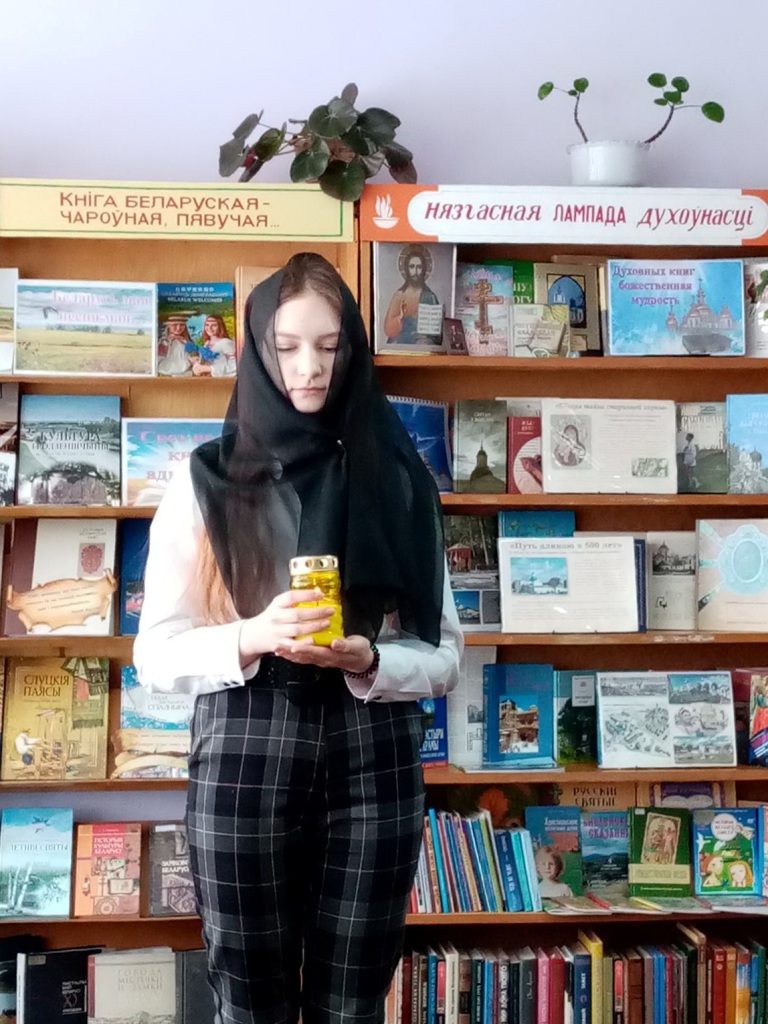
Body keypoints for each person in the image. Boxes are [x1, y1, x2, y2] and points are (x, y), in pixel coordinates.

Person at [134, 252, 462, 1024]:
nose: (309, 367)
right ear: (257, 351)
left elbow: (446, 655)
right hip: (248, 741)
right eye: (286, 347)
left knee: (353, 1005)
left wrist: (371, 659)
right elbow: (155, 653)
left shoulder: (401, 478)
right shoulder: (205, 481)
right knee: (251, 1002)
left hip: (373, 747)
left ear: (354, 350)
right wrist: (251, 635)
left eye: (329, 345)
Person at [383, 244, 440, 345]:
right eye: (412, 267)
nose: (415, 272)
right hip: (401, 339)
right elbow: (388, 329)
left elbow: (437, 332)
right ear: (406, 269)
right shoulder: (399, 295)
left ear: (423, 269)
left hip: (422, 340)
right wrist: (400, 317)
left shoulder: (430, 297)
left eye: (419, 267)